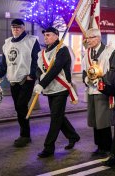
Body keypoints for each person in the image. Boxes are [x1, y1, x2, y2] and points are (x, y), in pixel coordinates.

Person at [34, 27, 80, 158]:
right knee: (58, 116)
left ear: (56, 36)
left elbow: (55, 69)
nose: (46, 37)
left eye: (48, 35)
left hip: (61, 89)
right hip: (50, 89)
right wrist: (39, 79)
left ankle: (48, 148)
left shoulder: (62, 50)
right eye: (45, 35)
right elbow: (38, 68)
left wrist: (42, 84)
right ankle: (73, 136)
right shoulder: (43, 52)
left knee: (55, 118)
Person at [0, 19, 40, 147]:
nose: (15, 29)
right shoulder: (7, 43)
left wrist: (32, 74)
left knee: (21, 106)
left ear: (23, 28)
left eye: (18, 27)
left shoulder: (31, 41)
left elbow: (36, 59)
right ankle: (25, 134)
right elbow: (4, 62)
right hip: (13, 80)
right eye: (13, 27)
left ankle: (25, 135)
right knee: (19, 108)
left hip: (26, 80)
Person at [82, 28, 115, 157]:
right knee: (94, 120)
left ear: (98, 38)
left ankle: (107, 146)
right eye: (87, 38)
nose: (88, 40)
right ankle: (99, 146)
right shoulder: (87, 53)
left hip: (103, 90)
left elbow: (113, 71)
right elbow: (84, 71)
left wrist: (102, 82)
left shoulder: (109, 52)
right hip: (91, 90)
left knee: (103, 120)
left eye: (90, 38)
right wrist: (86, 79)